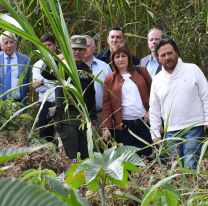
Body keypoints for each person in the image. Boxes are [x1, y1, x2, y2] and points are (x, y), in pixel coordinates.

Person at [149, 38, 208, 168]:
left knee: (191, 166)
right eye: (163, 55)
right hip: (170, 131)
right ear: (158, 58)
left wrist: (207, 119)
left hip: (194, 127)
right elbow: (154, 109)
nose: (167, 57)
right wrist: (155, 134)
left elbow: (206, 96)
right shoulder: (157, 80)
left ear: (177, 53)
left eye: (170, 53)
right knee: (174, 169)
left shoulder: (192, 70)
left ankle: (193, 189)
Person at [41, 35, 96, 160]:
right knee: (69, 155)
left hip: (82, 117)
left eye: (80, 49)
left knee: (85, 154)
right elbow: (44, 73)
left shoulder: (86, 69)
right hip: (66, 117)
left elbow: (90, 95)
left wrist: (92, 117)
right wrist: (58, 59)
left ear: (85, 51)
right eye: (74, 49)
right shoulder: (61, 66)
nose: (77, 52)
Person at [102, 44, 153, 156]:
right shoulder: (109, 78)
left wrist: (150, 111)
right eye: (117, 57)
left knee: (147, 155)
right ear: (113, 60)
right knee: (128, 158)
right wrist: (106, 127)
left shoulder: (141, 71)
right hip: (123, 126)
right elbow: (107, 104)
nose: (120, 59)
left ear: (129, 57)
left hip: (144, 123)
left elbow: (153, 93)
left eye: (123, 56)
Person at [32, 34, 57, 142]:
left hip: (62, 103)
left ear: (55, 46)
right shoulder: (37, 65)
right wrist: (53, 81)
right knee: (46, 136)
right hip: (46, 104)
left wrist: (42, 81)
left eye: (49, 45)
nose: (47, 48)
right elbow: (37, 87)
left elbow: (64, 82)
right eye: (44, 46)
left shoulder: (63, 63)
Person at [83, 35, 112, 126]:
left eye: (87, 46)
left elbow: (111, 92)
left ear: (94, 48)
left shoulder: (104, 67)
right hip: (77, 116)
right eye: (82, 47)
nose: (85, 49)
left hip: (100, 115)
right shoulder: (71, 67)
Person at [0, 31, 30, 103]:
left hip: (19, 103)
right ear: (1, 46)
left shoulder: (25, 60)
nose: (9, 45)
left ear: (16, 44)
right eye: (6, 43)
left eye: (12, 42)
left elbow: (28, 79)